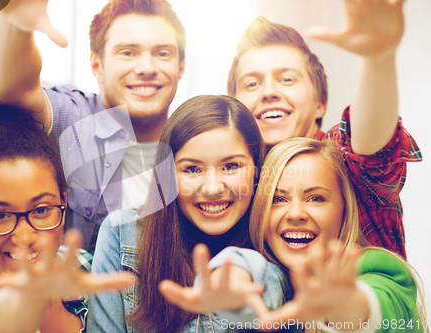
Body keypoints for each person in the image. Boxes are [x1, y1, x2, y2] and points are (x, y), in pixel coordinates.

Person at [160, 138, 427, 333]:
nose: (296, 213)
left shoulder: (378, 268)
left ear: (345, 209)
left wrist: (352, 309)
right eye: (279, 199)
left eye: (315, 198)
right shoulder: (270, 277)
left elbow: (384, 304)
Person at [0, 0, 186, 254]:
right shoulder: (76, 120)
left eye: (162, 53)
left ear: (181, 67)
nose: (146, 68)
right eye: (127, 52)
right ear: (97, 67)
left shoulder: (192, 144)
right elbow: (15, 90)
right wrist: (10, 24)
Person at [227, 0, 421, 258]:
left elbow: (371, 149)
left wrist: (378, 58)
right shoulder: (233, 177)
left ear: (320, 103)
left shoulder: (341, 158)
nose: (269, 92)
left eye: (287, 79)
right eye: (252, 84)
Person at [86, 95, 291, 333]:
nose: (212, 188)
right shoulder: (121, 234)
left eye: (231, 166)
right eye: (192, 169)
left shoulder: (275, 248)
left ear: (257, 170)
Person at [0, 100, 134, 333]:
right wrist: (19, 305)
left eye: (40, 210)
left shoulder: (85, 266)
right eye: (0, 215)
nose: (25, 236)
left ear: (63, 204)